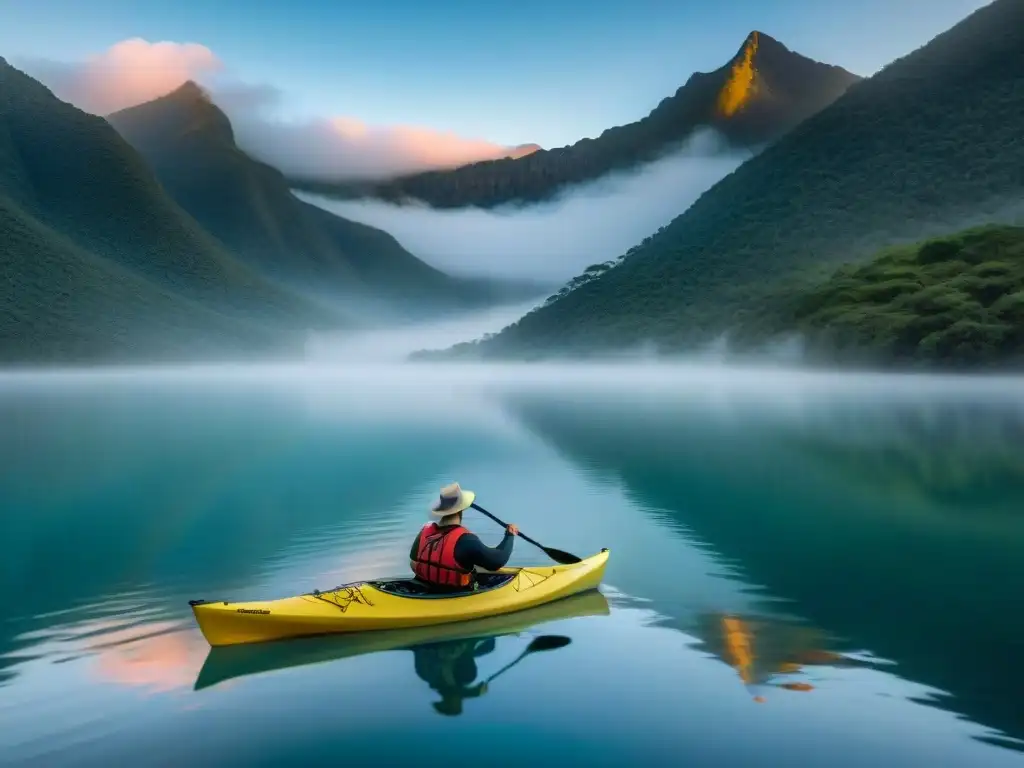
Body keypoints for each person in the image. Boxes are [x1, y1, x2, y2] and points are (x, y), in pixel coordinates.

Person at [410, 482, 519, 591]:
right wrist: (509, 536)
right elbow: (497, 561)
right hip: (454, 595)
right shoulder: (466, 540)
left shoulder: (424, 532)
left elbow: (413, 563)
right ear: (461, 509)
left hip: (422, 591)